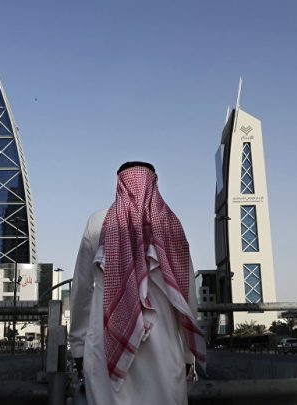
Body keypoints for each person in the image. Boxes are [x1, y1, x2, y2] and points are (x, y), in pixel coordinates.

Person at [70, 161, 206, 405]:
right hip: (164, 352)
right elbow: (187, 295)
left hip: (105, 347)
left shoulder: (97, 223)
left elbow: (82, 290)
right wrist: (188, 353)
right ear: (154, 185)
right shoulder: (171, 225)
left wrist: (78, 346)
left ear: (119, 184)